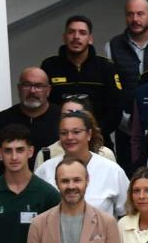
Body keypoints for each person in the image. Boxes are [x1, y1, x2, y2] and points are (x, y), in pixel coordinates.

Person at [41, 16, 125, 152]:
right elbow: (44, 106)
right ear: (64, 37)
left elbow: (115, 110)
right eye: (71, 32)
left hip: (99, 142)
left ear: (90, 39)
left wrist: (93, 133)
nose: (76, 37)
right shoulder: (50, 66)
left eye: (82, 33)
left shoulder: (105, 67)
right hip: (60, 143)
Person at [35, 111, 131, 218]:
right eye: (64, 133)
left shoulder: (112, 170)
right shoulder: (45, 169)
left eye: (76, 132)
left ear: (89, 134)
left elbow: (129, 214)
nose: (69, 137)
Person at [0, 68, 63, 171]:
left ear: (48, 90)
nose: (32, 91)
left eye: (39, 86)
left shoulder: (62, 119)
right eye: (27, 85)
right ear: (18, 88)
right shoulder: (0, 120)